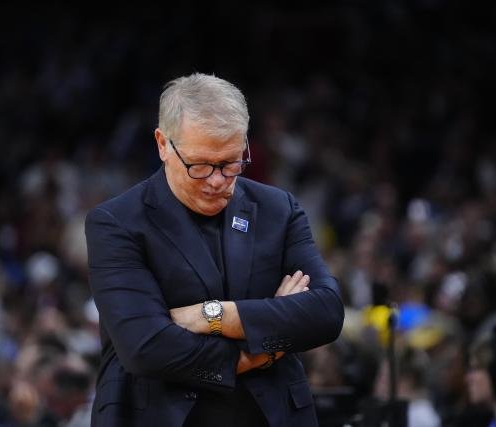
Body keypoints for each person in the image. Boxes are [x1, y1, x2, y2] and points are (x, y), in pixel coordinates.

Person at [85, 73, 345, 426]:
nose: (217, 180)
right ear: (163, 145)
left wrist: (215, 316)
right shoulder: (117, 222)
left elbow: (326, 312)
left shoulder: (278, 209)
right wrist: (261, 352)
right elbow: (145, 348)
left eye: (231, 163)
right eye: (201, 165)